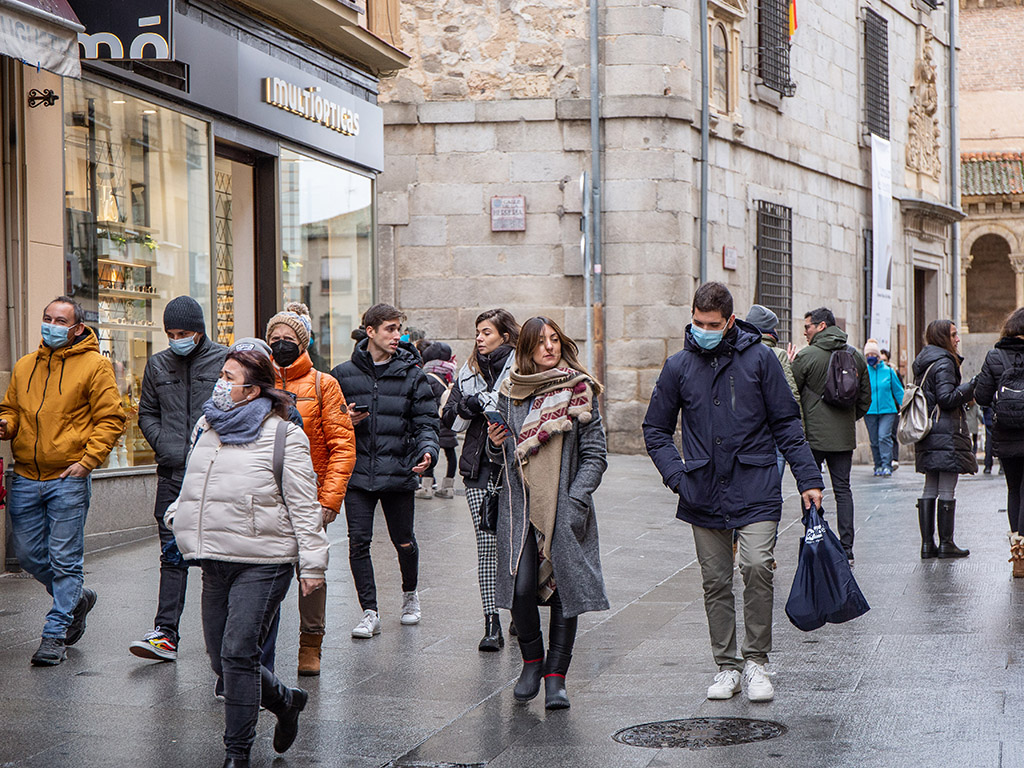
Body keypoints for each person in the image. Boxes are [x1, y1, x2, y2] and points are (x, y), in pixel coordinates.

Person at [644, 282, 823, 703]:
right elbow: (655, 429)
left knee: (758, 566)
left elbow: (787, 424)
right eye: (697, 322)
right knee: (715, 581)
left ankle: (757, 659)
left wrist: (809, 479)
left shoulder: (760, 359)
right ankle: (727, 666)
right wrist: (676, 476)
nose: (703, 329)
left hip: (755, 483)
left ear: (728, 322)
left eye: (712, 324)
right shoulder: (678, 366)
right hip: (701, 488)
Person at [167, 345, 327, 767]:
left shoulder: (283, 434)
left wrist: (312, 564)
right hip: (215, 557)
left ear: (253, 391)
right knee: (222, 659)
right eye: (221, 375)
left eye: (229, 378)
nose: (220, 385)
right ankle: (286, 701)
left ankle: (237, 754)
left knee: (239, 653)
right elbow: (194, 482)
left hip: (265, 559)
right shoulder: (207, 426)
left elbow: (304, 503)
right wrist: (178, 514)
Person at [488, 316, 608, 709]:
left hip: (565, 507)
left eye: (554, 340)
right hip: (520, 511)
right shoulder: (510, 393)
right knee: (521, 589)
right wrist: (495, 444)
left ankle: (556, 677)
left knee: (563, 592)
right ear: (525, 349)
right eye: (540, 342)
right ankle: (531, 662)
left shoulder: (580, 389)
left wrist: (575, 501)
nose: (550, 348)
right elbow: (503, 459)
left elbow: (595, 455)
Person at [0, 296, 125, 666]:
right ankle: (78, 598)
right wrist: (7, 425)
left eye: (60, 320)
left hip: (68, 477)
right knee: (27, 555)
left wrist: (87, 462)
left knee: (65, 559)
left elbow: (111, 419)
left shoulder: (95, 367)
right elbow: (11, 409)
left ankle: (55, 633)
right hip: (24, 475)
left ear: (77, 328)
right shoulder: (25, 366)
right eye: (47, 318)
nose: (51, 325)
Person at [331, 304, 439, 638]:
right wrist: (344, 421)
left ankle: (410, 595)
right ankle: (369, 611)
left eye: (399, 330)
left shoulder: (413, 375)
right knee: (358, 543)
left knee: (403, 541)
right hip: (358, 472)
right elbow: (328, 424)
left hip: (398, 470)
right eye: (390, 329)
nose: (397, 336)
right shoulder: (342, 374)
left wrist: (428, 451)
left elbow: (426, 423)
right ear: (370, 331)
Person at [129, 296, 227, 662]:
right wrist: (167, 445)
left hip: (215, 475)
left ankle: (223, 638)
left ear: (199, 331)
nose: (176, 339)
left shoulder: (224, 361)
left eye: (183, 332)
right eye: (170, 333)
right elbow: (147, 413)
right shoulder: (157, 365)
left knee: (217, 559)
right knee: (172, 554)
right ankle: (165, 633)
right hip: (172, 473)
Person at [267, 302, 356, 676]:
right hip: (266, 496)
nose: (282, 344)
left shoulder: (324, 384)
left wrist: (330, 500)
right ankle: (258, 643)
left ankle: (310, 645)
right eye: (275, 338)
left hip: (309, 497)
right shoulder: (258, 382)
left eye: (289, 338)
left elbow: (343, 446)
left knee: (312, 572)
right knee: (265, 574)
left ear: (302, 343)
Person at [442, 308, 520, 651]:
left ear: (505, 336)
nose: (479, 338)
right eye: (477, 332)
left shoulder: (522, 369)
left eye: (486, 332)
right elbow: (448, 417)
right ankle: (492, 623)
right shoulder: (469, 371)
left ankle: (520, 611)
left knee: (516, 545)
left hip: (516, 468)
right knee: (487, 546)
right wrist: (470, 405)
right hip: (478, 468)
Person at [791, 307, 871, 563]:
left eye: (808, 327)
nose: (805, 332)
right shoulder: (855, 356)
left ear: (822, 326)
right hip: (843, 438)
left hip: (812, 438)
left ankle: (815, 539)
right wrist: (848, 418)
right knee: (843, 490)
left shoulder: (806, 356)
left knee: (809, 488)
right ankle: (847, 549)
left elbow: (792, 394)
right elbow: (865, 399)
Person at [910, 319, 976, 559]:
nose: (958, 339)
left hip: (928, 432)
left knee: (930, 484)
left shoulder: (925, 361)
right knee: (947, 485)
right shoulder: (945, 363)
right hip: (946, 432)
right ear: (942, 338)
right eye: (953, 334)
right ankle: (946, 543)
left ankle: (928, 545)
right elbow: (946, 398)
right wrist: (971, 386)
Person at [973, 308, 1024, 574]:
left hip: (1005, 433)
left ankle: (1018, 556)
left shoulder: (995, 355)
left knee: (1014, 488)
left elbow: (981, 396)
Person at [745, 304, 800, 477]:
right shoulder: (778, 353)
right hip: (774, 422)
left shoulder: (740, 350)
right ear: (770, 331)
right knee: (777, 460)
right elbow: (791, 393)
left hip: (748, 423)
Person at [418, 340, 458, 500]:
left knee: (429, 452)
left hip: (434, 422)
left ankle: (427, 487)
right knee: (450, 454)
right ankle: (448, 487)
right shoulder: (449, 375)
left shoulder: (429, 377)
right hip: (448, 421)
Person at [863, 338, 904, 478]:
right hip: (869, 411)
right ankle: (878, 465)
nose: (870, 358)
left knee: (884, 437)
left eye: (872, 355)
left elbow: (898, 390)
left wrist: (905, 405)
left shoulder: (888, 371)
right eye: (867, 356)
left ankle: (887, 465)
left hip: (888, 410)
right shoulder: (864, 372)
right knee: (874, 440)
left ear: (877, 356)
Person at [880, 348, 903, 469]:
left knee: (891, 434)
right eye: (881, 360)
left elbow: (899, 388)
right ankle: (883, 460)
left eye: (885, 360)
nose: (883, 362)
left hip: (892, 408)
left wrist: (902, 406)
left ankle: (894, 458)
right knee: (881, 436)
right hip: (879, 408)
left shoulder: (892, 372)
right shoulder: (875, 372)